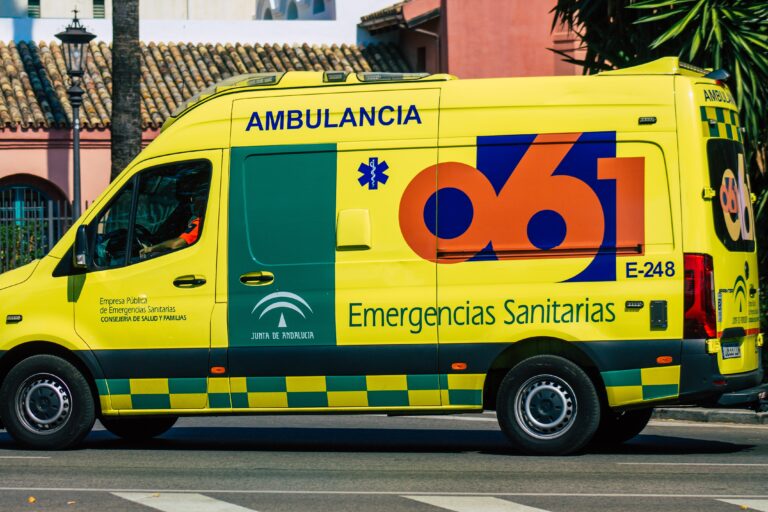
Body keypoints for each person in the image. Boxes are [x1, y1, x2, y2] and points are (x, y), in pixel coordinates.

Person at [139, 193, 206, 257]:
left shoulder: (201, 222)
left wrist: (150, 249)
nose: (192, 202)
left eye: (194, 198)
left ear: (203, 201)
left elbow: (177, 244)